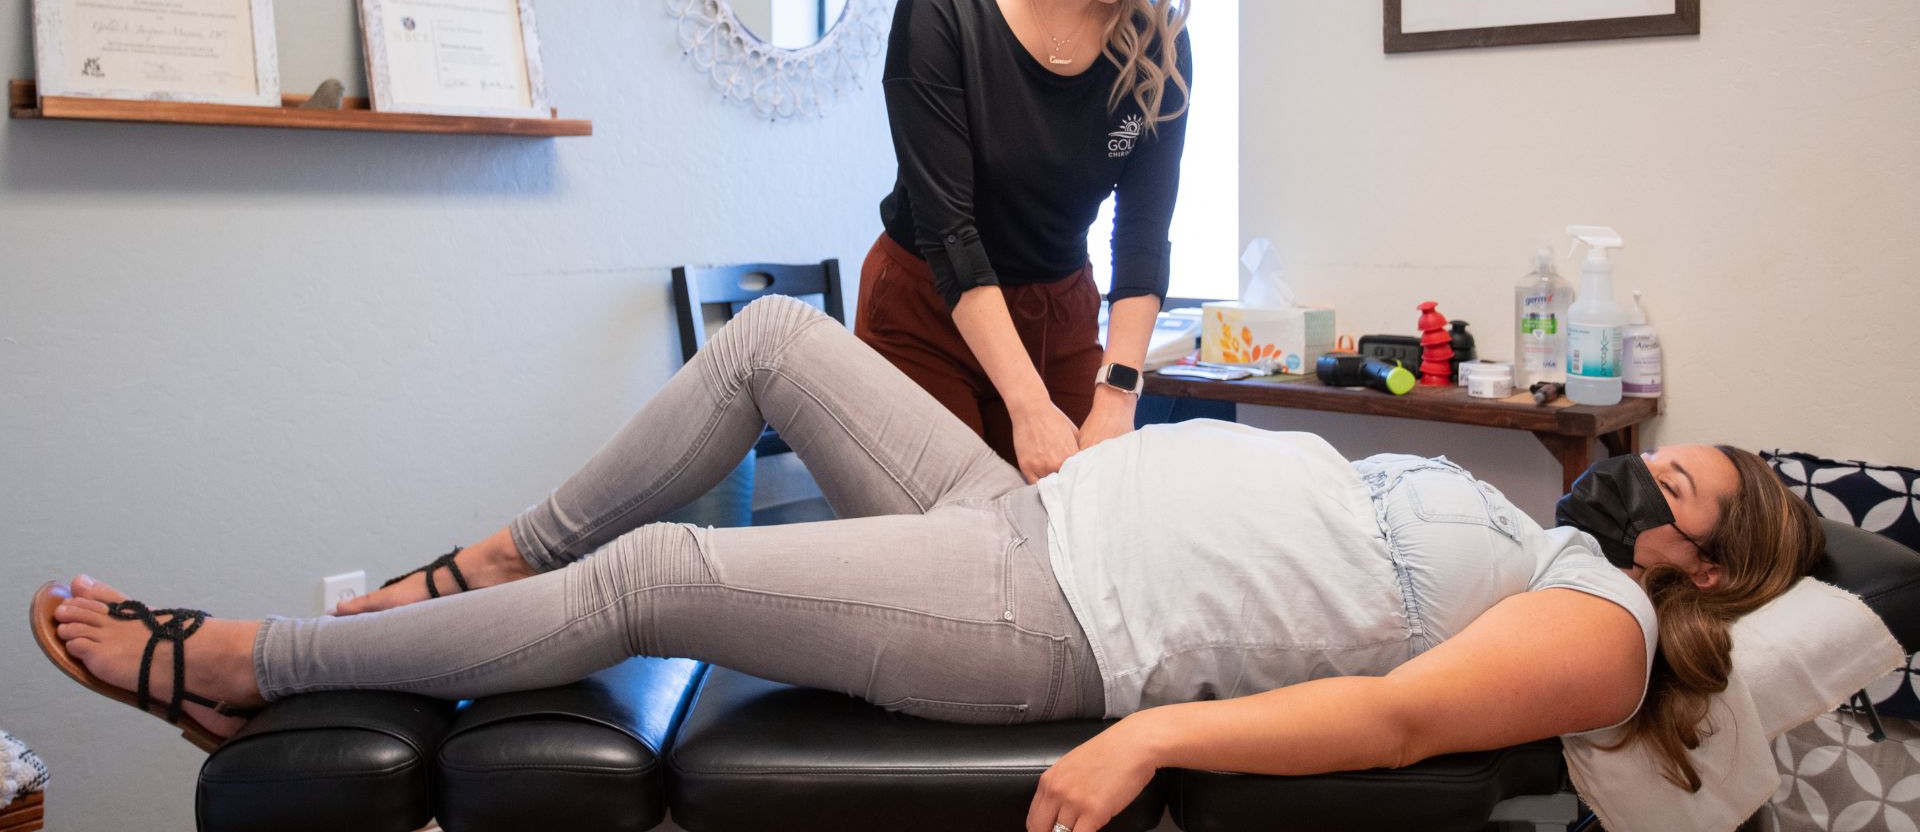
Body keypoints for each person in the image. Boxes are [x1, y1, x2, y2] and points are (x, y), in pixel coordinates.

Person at [37, 297, 1822, 832]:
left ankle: (247, 661)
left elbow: (1382, 721)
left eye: (1673, 487)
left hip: (1067, 619)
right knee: (770, 342)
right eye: (1658, 460)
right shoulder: (1520, 527)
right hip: (1047, 511)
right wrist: (1104, 409)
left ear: (1708, 573)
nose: (1638, 481)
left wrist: (1152, 742)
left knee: (668, 573)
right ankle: (468, 572)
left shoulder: (1594, 629)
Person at [860, 0, 1227, 483]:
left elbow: (1142, 234)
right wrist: (1026, 406)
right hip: (928, 310)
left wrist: (1118, 393)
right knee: (958, 536)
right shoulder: (942, 10)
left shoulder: (1158, 46)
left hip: (1058, 316)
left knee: (1079, 534)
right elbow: (951, 234)